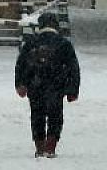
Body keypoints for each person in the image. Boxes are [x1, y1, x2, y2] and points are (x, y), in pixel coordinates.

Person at [15, 13, 81, 158]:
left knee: (37, 115)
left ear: (40, 26)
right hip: (56, 86)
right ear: (56, 26)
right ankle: (50, 146)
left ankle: (39, 146)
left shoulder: (31, 43)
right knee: (55, 116)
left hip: (35, 85)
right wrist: (72, 90)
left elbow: (20, 65)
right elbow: (73, 67)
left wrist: (20, 84)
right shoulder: (64, 44)